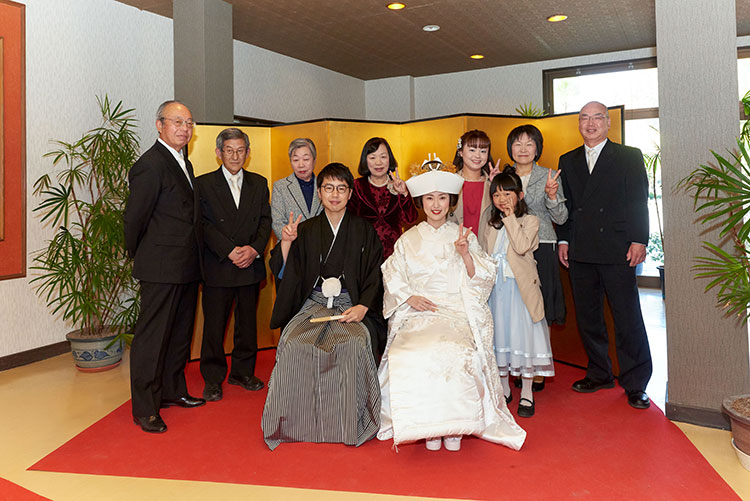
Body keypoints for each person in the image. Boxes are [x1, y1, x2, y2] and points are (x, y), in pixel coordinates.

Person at [378, 162, 526, 452]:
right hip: (418, 314)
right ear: (421, 202)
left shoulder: (464, 235)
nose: (436, 204)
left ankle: (457, 424)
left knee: (456, 350)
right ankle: (429, 427)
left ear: (450, 201)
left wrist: (465, 255)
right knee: (413, 350)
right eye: (430, 198)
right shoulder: (408, 239)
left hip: (456, 311)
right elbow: (392, 273)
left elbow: (484, 277)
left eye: (442, 198)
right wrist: (409, 297)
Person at [261, 163, 386, 450]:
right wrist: (286, 243)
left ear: (350, 194)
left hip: (349, 304)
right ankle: (294, 422)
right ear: (319, 192)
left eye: (341, 189)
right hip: (313, 303)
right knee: (292, 343)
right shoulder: (305, 230)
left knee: (355, 344)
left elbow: (375, 273)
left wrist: (364, 307)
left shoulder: (363, 230)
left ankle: (348, 422)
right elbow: (284, 269)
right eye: (328, 188)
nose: (334, 194)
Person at [557, 101, 652, 409]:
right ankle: (599, 373)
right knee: (588, 317)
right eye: (584, 118)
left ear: (608, 123)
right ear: (579, 125)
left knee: (627, 317)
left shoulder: (628, 156)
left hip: (618, 248)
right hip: (581, 249)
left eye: (597, 117)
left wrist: (639, 238)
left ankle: (635, 383)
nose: (591, 123)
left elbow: (639, 200)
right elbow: (567, 207)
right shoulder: (568, 160)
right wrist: (563, 241)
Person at [124, 100, 205, 433]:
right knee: (152, 338)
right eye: (177, 122)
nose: (184, 128)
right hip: (160, 266)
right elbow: (134, 219)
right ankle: (145, 407)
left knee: (178, 335)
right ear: (159, 125)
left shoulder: (183, 161)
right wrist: (140, 254)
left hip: (186, 265)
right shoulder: (151, 164)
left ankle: (172, 391)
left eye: (188, 123)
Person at [195, 128, 272, 402]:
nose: (235, 155)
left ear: (248, 153)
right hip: (219, 265)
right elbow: (202, 224)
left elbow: (265, 221)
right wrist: (229, 250)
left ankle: (243, 372)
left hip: (250, 264)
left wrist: (253, 249)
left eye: (241, 150)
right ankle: (213, 379)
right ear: (219, 153)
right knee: (214, 327)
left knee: (247, 325)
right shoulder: (202, 184)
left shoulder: (259, 183)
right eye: (229, 150)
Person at [480, 167, 555, 418]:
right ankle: (503, 389)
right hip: (497, 291)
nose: (502, 199)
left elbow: (522, 247)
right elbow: (485, 255)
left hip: (520, 292)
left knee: (523, 339)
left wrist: (510, 218)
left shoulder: (530, 221)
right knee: (499, 337)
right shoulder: (491, 224)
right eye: (497, 194)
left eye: (507, 194)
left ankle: (526, 392)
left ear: (519, 195)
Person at [506, 124, 568, 394]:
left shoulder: (549, 175)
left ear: (537, 148)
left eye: (529, 144)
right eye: (517, 143)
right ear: (510, 148)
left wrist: (553, 197)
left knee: (539, 308)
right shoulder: (503, 177)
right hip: (510, 247)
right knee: (515, 308)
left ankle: (539, 367)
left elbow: (561, 218)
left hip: (541, 245)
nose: (523, 149)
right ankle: (518, 364)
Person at [348, 137, 418, 258]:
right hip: (365, 254)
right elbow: (350, 221)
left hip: (395, 254)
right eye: (372, 157)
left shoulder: (399, 185)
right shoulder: (357, 186)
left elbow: (411, 219)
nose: (378, 162)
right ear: (366, 160)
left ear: (389, 159)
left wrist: (404, 193)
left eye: (383, 157)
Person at [449, 129, 499, 240]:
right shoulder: (450, 183)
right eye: (472, 150)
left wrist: (499, 184)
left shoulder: (492, 185)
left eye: (483, 151)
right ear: (460, 152)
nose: (477, 156)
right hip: (455, 246)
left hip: (486, 248)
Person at [270, 138, 322, 240]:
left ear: (314, 160)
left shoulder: (324, 185)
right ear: (290, 161)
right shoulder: (281, 187)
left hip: (320, 246)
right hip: (291, 247)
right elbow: (277, 223)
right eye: (296, 160)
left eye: (306, 159)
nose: (301, 165)